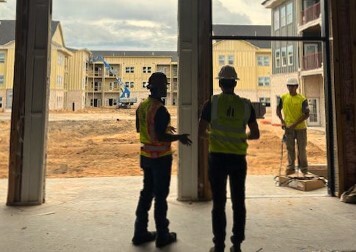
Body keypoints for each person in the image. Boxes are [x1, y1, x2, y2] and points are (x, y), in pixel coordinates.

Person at [198, 65, 260, 252]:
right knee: (238, 202)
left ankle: (218, 246)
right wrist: (242, 137)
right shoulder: (245, 105)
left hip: (217, 159)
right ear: (234, 83)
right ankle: (237, 244)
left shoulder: (211, 103)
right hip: (238, 160)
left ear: (220, 82)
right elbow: (255, 134)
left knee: (219, 203)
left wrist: (213, 136)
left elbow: (201, 132)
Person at [132, 72, 192, 248]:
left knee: (146, 194)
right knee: (160, 197)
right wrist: (179, 137)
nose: (167, 88)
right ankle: (162, 235)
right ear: (158, 88)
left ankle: (140, 232)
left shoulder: (142, 107)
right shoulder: (161, 110)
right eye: (165, 86)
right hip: (160, 159)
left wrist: (164, 128)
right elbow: (160, 136)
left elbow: (141, 128)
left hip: (146, 157)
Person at [276, 77, 310, 176]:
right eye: (289, 86)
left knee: (302, 149)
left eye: (292, 86)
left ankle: (303, 169)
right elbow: (278, 110)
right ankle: (291, 168)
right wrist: (282, 121)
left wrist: (294, 124)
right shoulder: (283, 97)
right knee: (290, 149)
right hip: (288, 129)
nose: (290, 88)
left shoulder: (302, 99)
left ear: (296, 87)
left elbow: (306, 114)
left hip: (300, 129)